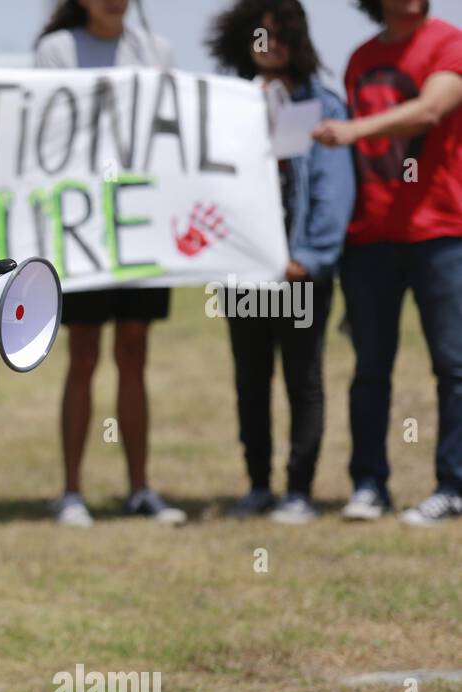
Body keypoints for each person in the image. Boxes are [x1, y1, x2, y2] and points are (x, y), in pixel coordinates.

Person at [35, 0, 186, 528]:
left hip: (138, 227)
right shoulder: (55, 51)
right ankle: (71, 490)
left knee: (134, 350)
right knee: (83, 353)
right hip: (83, 230)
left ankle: (140, 487)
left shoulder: (156, 50)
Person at [313, 0, 462, 527]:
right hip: (369, 237)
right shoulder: (359, 58)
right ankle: (369, 483)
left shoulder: (448, 42)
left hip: (440, 232)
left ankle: (452, 486)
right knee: (370, 369)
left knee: (453, 364)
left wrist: (354, 130)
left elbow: (431, 109)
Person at [207, 0, 356, 524]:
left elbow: (333, 189)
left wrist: (310, 256)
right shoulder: (224, 102)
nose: (271, 46)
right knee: (250, 378)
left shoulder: (324, 106)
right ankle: (257, 485)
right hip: (242, 273)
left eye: (282, 34)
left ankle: (299, 489)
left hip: (299, 273)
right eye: (261, 35)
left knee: (302, 377)